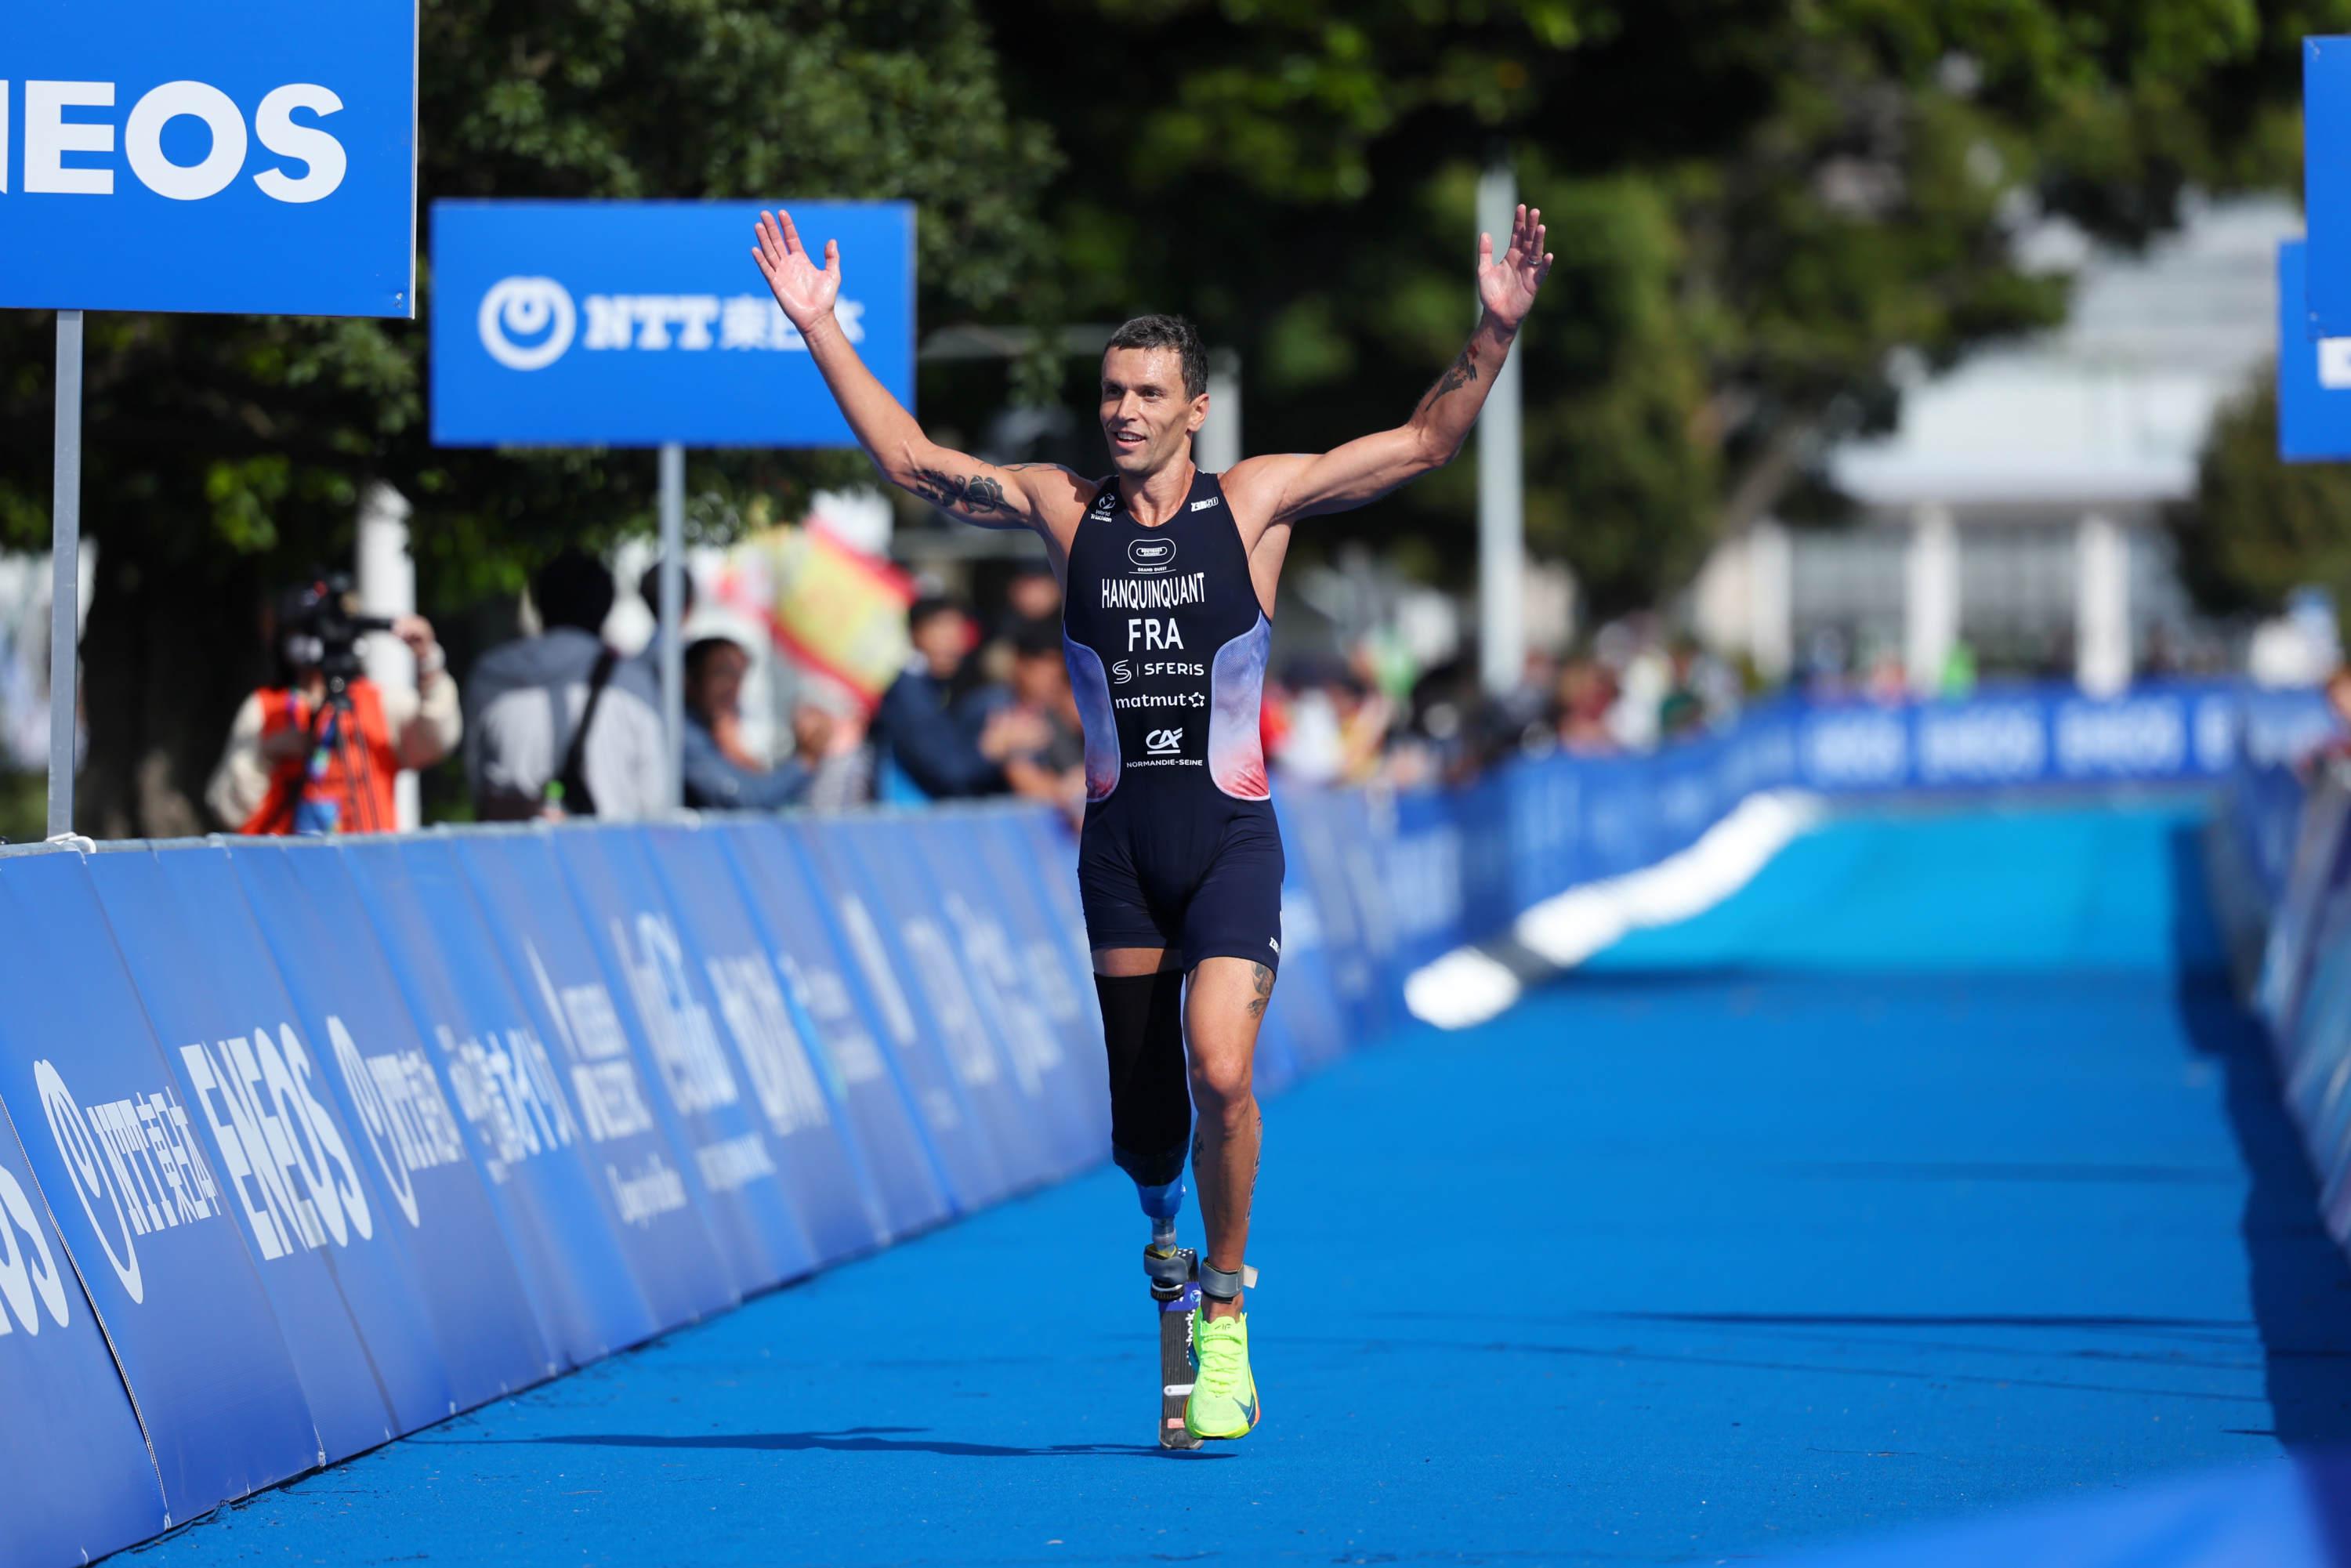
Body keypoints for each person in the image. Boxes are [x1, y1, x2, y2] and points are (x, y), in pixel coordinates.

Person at [752, 197, 1551, 1439]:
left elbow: (1423, 444)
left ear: (1195, 411)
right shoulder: (1061, 510)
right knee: (1143, 1142)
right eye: (1111, 391)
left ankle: (1226, 1308)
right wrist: (819, 327)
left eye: (1146, 393)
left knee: (1223, 1066)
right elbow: (910, 462)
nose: (1122, 411)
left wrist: (1492, 333)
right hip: (1119, 855)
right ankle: (1170, 1255)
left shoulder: (1257, 507)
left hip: (1231, 836)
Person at [208, 577, 458, 835]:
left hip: (368, 868)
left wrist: (429, 664)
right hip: (284, 868)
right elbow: (227, 812)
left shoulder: (372, 702)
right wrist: (266, 753)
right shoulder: (265, 707)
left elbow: (437, 740)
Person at [466, 549, 665, 820]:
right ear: (607, 606)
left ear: (539, 604)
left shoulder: (491, 673)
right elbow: (653, 798)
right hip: (607, 854)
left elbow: (477, 779)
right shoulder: (631, 681)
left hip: (511, 853)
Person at [870, 595, 1048, 801]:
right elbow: (950, 772)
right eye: (941, 632)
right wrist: (995, 746)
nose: (952, 644)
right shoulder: (909, 693)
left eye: (957, 634)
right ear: (915, 634)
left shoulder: (935, 685)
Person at [958, 616, 1086, 807]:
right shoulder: (994, 705)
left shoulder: (1049, 711)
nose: (1050, 679)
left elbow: (1073, 772)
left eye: (1057, 671)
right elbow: (1028, 783)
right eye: (1042, 668)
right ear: (1020, 664)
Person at [680, 635, 820, 809]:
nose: (732, 687)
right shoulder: (683, 734)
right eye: (722, 673)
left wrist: (739, 757)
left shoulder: (723, 732)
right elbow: (745, 798)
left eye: (738, 676)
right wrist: (804, 760)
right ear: (690, 680)